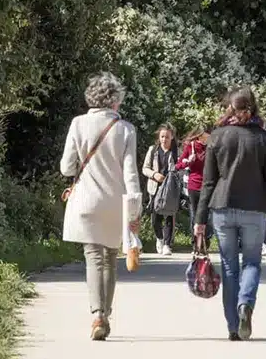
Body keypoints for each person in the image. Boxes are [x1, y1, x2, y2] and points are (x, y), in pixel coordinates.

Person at [194, 87, 266, 341]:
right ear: (253, 108)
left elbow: (208, 182)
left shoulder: (217, 137)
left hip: (222, 208)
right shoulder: (265, 139)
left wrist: (200, 219)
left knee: (229, 267)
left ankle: (233, 327)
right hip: (255, 209)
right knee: (253, 263)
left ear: (230, 108)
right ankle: (245, 304)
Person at [61, 72, 142, 341]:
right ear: (115, 100)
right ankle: (105, 314)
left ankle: (96, 315)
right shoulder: (126, 129)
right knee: (110, 260)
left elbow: (66, 167)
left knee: (93, 258)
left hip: (85, 201)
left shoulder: (78, 123)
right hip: (114, 204)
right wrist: (135, 210)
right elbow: (131, 173)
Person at [141, 124, 179, 254]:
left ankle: (167, 245)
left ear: (172, 137)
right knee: (155, 217)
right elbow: (145, 168)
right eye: (162, 136)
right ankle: (160, 238)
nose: (164, 139)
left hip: (170, 188)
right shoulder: (153, 150)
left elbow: (181, 169)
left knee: (169, 215)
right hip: (155, 187)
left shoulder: (176, 151)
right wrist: (154, 174)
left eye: (167, 137)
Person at [179, 124, 214, 248]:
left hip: (209, 185)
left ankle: (206, 239)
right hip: (194, 185)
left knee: (208, 215)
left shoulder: (212, 147)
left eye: (207, 138)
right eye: (203, 138)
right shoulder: (191, 146)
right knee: (194, 213)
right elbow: (179, 165)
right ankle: (195, 242)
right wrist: (188, 161)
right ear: (198, 136)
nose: (205, 141)